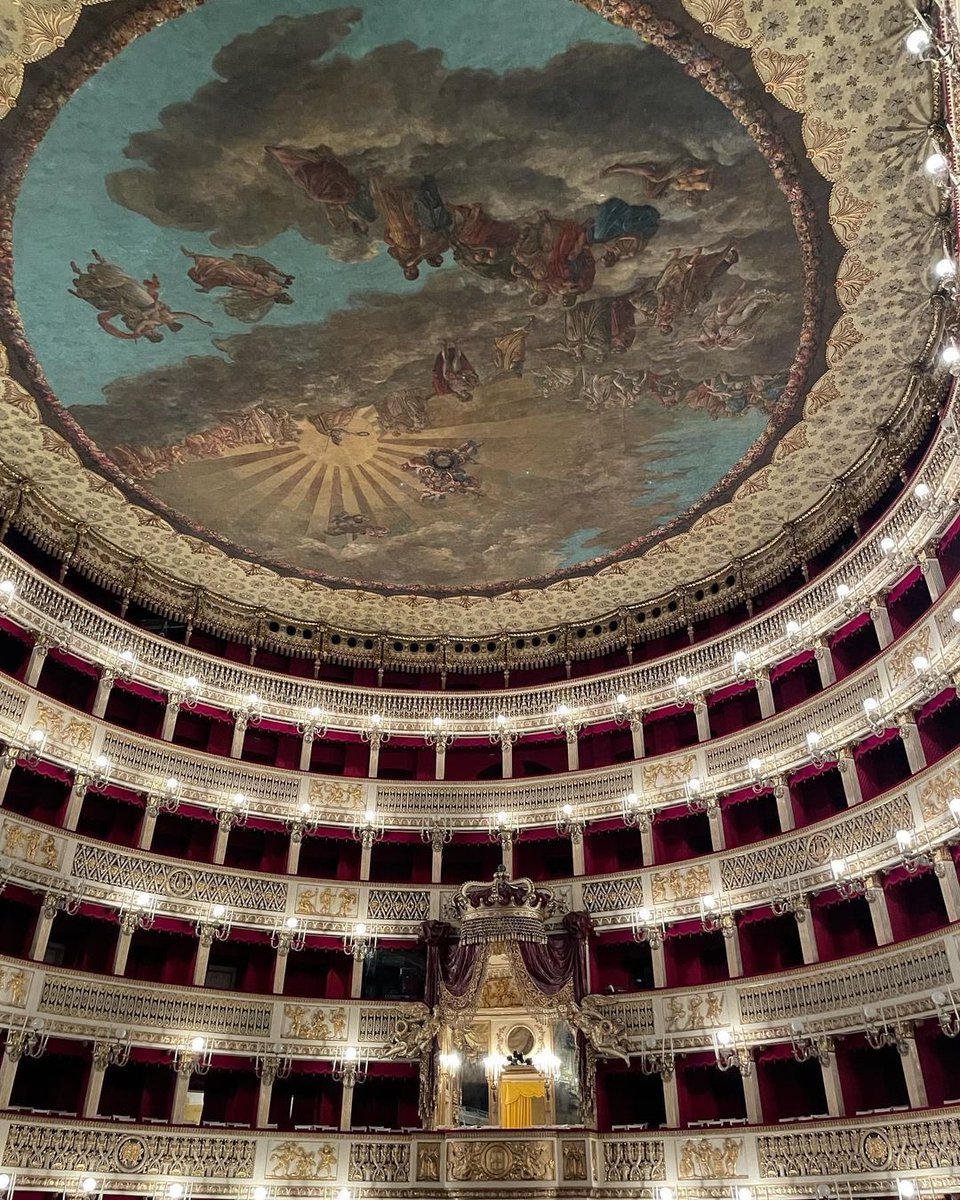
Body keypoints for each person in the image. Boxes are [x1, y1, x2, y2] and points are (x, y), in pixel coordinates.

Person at [266, 143, 377, 233]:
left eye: (363, 227)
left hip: (328, 190)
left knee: (307, 175)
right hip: (335, 188)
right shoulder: (355, 211)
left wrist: (335, 221)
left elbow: (332, 209)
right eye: (364, 226)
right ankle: (282, 150)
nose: (363, 225)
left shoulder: (351, 213)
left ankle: (279, 151)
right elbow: (341, 206)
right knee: (312, 168)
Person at [181, 247, 294, 321]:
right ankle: (195, 257)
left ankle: (205, 279)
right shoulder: (278, 286)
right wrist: (283, 276)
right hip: (249, 274)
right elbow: (267, 272)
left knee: (223, 269)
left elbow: (251, 289)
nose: (285, 296)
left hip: (244, 279)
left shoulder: (268, 293)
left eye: (285, 298)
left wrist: (233, 286)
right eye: (287, 296)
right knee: (222, 263)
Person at [586, 197, 661, 266]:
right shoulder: (626, 252)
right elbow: (636, 237)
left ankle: (610, 207)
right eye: (607, 258)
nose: (606, 255)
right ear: (613, 260)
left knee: (599, 235)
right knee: (626, 226)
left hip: (628, 224)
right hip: (646, 225)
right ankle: (616, 207)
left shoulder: (610, 247)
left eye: (604, 257)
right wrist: (616, 240)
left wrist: (608, 243)